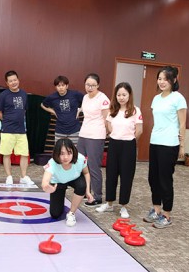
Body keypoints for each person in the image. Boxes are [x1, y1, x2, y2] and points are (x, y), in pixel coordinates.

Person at [143, 66, 187, 228]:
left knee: (165, 180)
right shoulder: (156, 98)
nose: (162, 82)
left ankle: (167, 215)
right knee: (152, 178)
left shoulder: (178, 98)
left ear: (174, 80)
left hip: (170, 144)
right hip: (155, 141)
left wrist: (182, 145)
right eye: (160, 78)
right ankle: (156, 209)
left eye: (165, 79)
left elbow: (182, 123)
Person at [96, 82, 143, 218]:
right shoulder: (112, 110)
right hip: (114, 144)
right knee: (111, 174)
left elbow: (139, 130)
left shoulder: (135, 110)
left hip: (128, 145)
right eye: (118, 95)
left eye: (124, 94)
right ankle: (109, 204)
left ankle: (123, 206)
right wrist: (115, 135)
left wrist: (129, 139)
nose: (121, 97)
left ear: (129, 95)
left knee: (126, 176)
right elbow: (108, 125)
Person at [42, 138, 93, 227]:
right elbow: (45, 181)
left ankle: (71, 213)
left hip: (75, 178)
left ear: (73, 152)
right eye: (62, 154)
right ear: (56, 153)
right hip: (59, 182)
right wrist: (47, 186)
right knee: (55, 214)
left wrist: (88, 191)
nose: (66, 157)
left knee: (81, 186)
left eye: (69, 153)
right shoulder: (52, 163)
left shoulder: (80, 159)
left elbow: (86, 173)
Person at [77, 73, 110, 206]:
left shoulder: (103, 99)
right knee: (81, 164)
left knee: (93, 166)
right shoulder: (85, 97)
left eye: (93, 85)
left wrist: (107, 133)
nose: (90, 88)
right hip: (83, 133)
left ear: (98, 85)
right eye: (87, 85)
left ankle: (98, 196)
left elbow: (107, 119)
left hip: (96, 136)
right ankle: (86, 192)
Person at [0, 70, 33, 185]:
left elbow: (25, 110)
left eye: (15, 80)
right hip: (7, 130)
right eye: (10, 81)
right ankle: (9, 176)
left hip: (21, 130)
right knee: (6, 154)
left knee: (24, 154)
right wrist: (7, 120)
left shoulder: (24, 94)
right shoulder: (3, 95)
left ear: (18, 80)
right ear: (7, 83)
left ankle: (23, 176)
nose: (13, 82)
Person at [41, 75, 84, 145]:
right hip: (60, 129)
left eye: (63, 85)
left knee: (74, 151)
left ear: (67, 86)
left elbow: (86, 99)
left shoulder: (75, 94)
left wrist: (80, 110)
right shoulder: (52, 97)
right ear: (55, 87)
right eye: (58, 86)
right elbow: (42, 105)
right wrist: (53, 112)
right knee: (59, 150)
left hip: (75, 129)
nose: (61, 88)